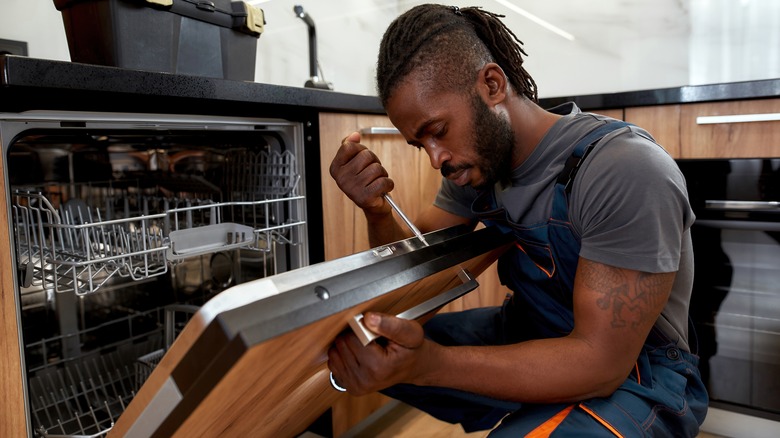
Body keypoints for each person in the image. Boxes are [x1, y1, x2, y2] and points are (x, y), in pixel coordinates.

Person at [327, 4, 708, 436]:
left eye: (438, 131)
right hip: (533, 329)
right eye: (420, 144)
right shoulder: (475, 165)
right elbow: (414, 276)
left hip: (637, 374)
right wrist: (376, 210)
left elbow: (600, 364)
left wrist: (430, 366)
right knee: (361, 351)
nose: (436, 159)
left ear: (492, 85)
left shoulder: (621, 169)